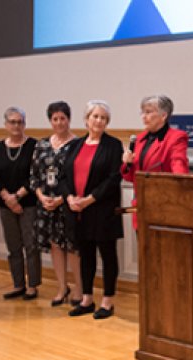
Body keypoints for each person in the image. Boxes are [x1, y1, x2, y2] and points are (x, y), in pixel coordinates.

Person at [61, 100, 123, 320]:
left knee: (107, 256)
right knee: (85, 255)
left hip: (102, 210)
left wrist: (89, 199)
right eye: (95, 116)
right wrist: (69, 197)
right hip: (78, 212)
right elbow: (63, 176)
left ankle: (108, 301)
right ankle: (87, 299)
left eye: (103, 118)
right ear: (86, 119)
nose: (99, 121)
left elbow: (114, 178)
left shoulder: (113, 145)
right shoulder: (75, 145)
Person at [30, 101, 83, 306]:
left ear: (69, 119)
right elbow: (34, 176)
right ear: (50, 121)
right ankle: (62, 287)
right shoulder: (41, 144)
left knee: (72, 247)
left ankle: (79, 288)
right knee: (54, 245)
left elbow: (79, 179)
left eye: (63, 118)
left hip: (68, 203)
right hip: (46, 204)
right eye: (55, 119)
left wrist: (62, 198)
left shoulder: (77, 145)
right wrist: (42, 197)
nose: (59, 122)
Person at [0, 107, 41, 300]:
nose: (16, 125)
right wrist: (7, 198)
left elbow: (35, 175)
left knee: (31, 246)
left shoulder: (33, 146)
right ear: (5, 125)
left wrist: (17, 197)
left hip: (28, 204)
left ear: (25, 124)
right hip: (5, 206)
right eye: (12, 122)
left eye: (20, 122)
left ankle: (32, 286)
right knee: (13, 247)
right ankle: (18, 284)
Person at [121, 95, 189, 229]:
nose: (144, 116)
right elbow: (130, 177)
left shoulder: (176, 138)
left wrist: (181, 180)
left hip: (164, 207)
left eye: (148, 112)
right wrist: (127, 163)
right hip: (141, 207)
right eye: (143, 112)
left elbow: (178, 163)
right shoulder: (139, 140)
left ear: (163, 116)